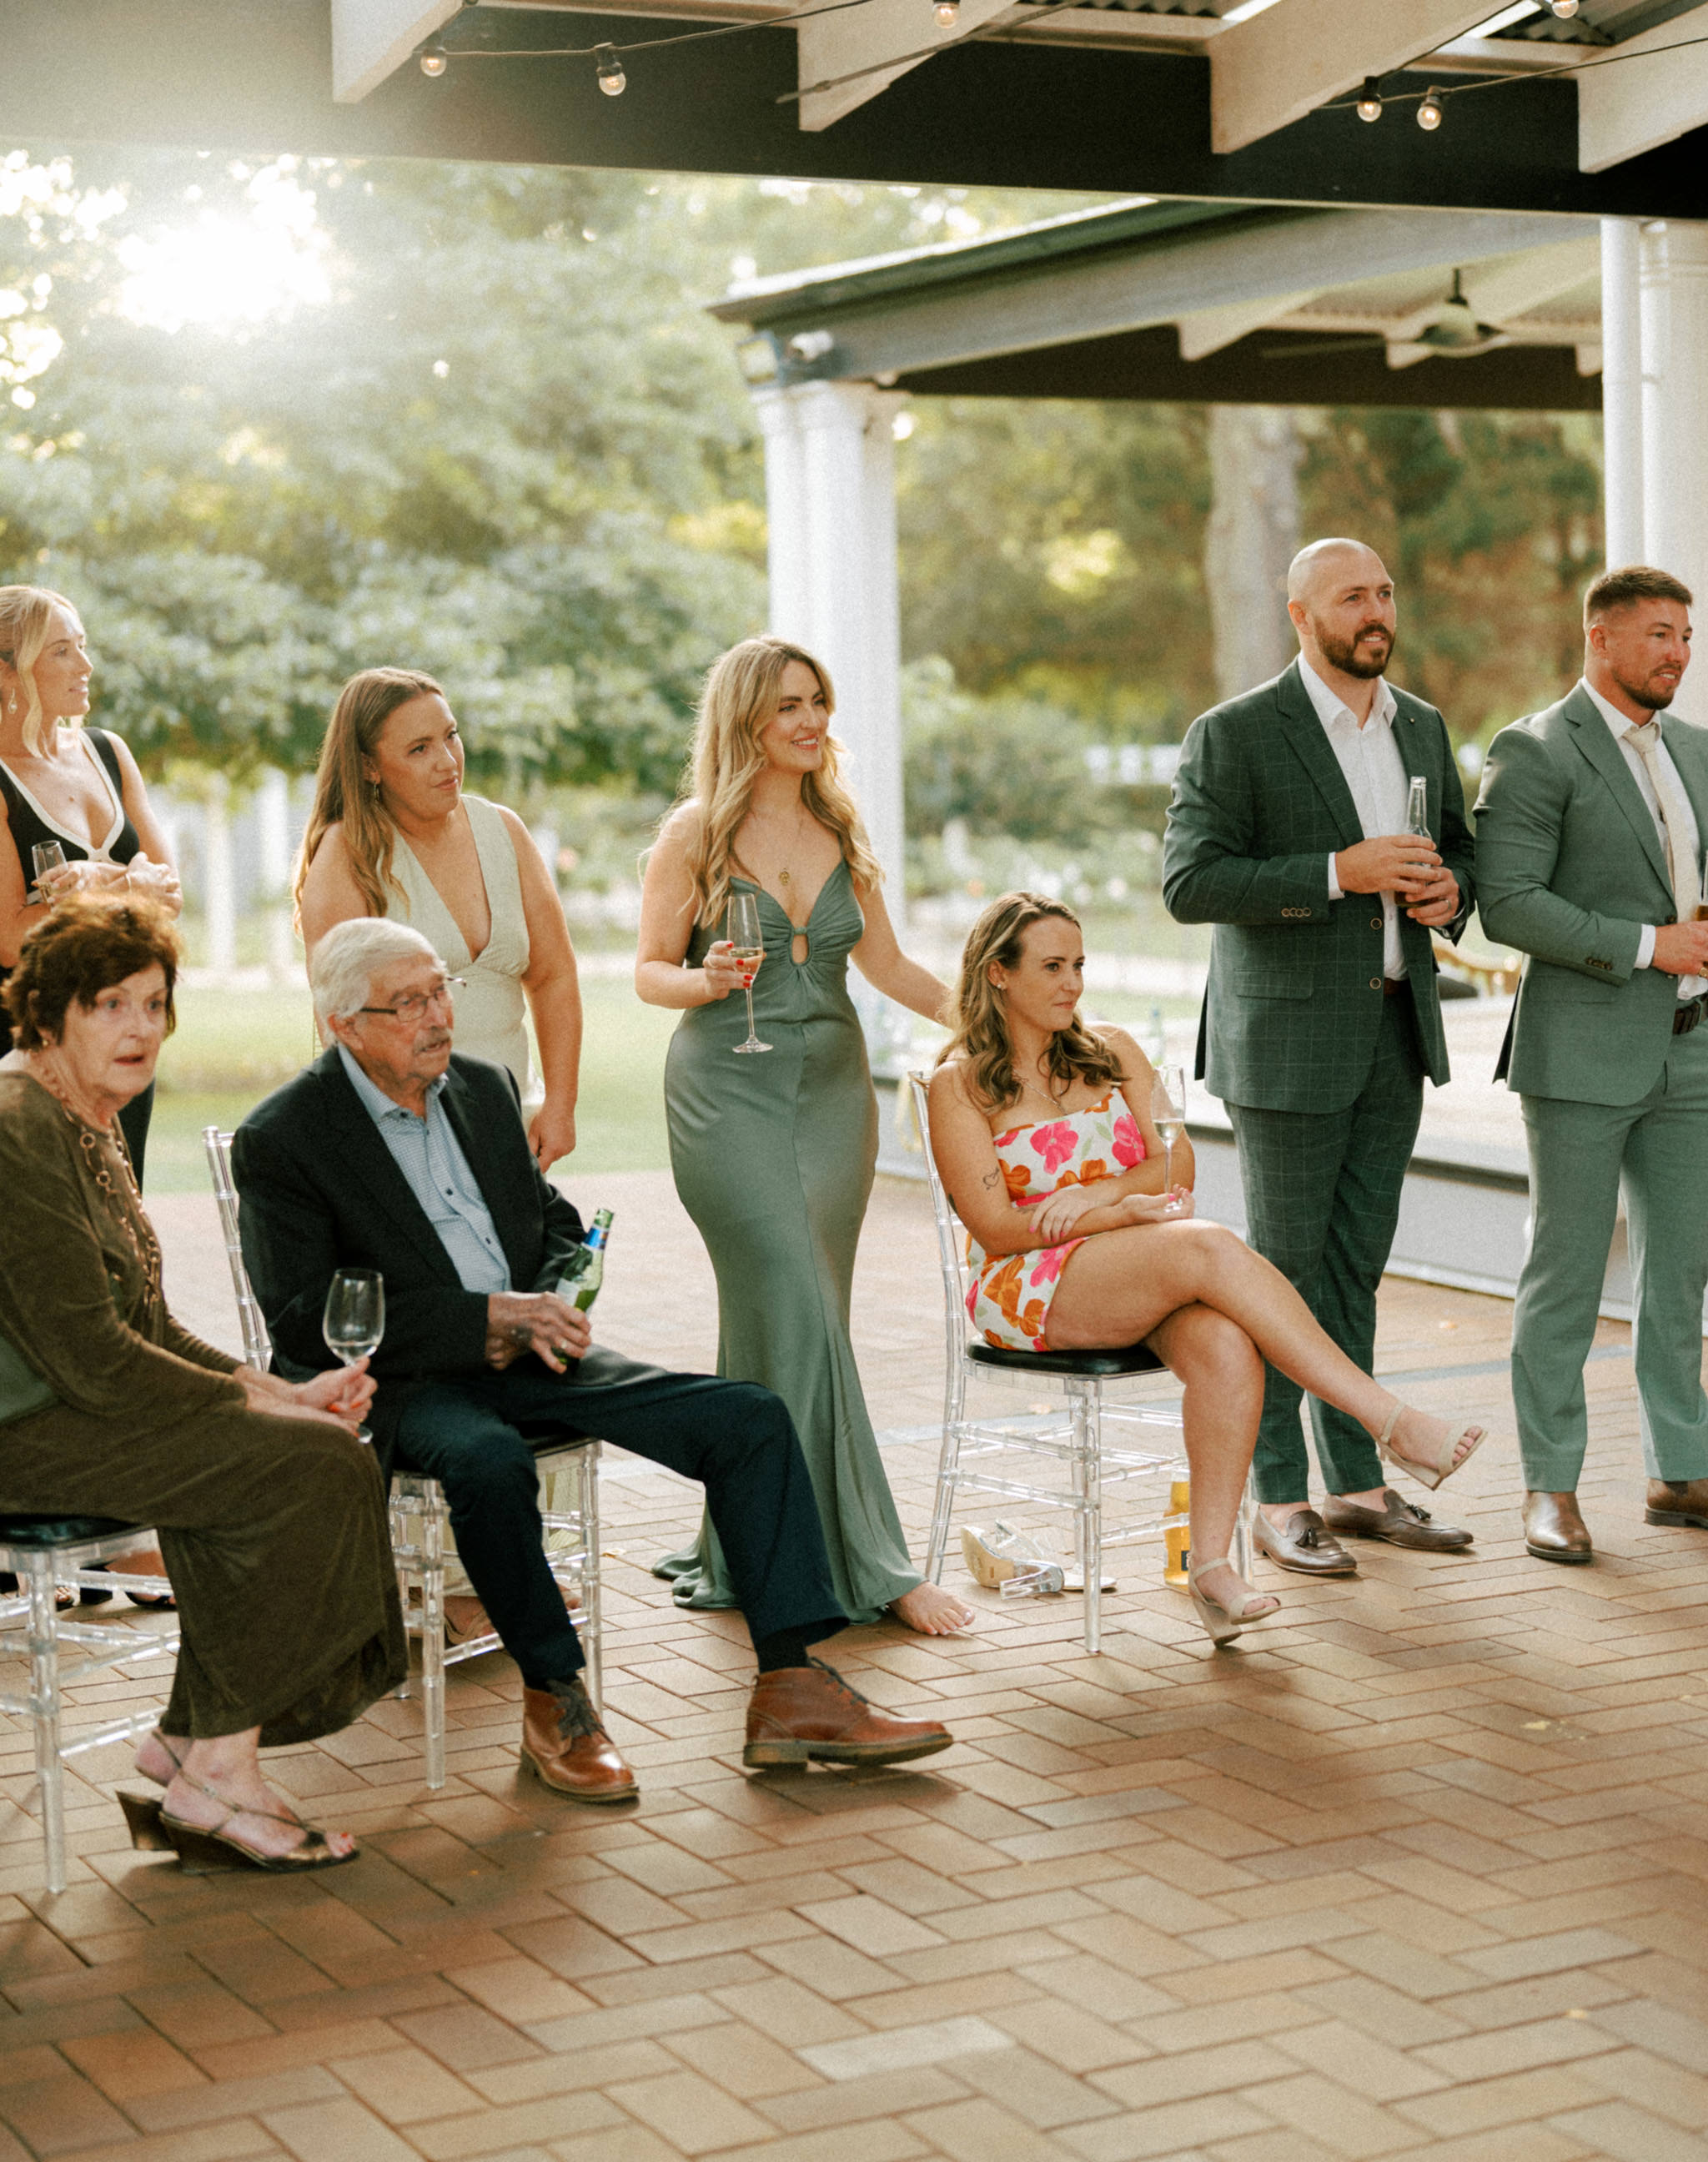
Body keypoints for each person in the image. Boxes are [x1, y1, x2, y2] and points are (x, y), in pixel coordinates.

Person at [234, 918, 952, 1798]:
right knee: (489, 1462)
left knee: (749, 1419)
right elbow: (304, 1319)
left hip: (531, 1353)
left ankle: (791, 1686)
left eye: (440, 991)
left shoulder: (483, 1087)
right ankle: (556, 1700)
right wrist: (480, 1319)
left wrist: (551, 1300)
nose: (438, 1016)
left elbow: (553, 1225)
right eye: (408, 1003)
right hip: (401, 1380)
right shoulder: (287, 1135)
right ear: (344, 1024)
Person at [927, 892, 1486, 1645]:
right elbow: (996, 1228)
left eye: (1080, 964)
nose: (1073, 983)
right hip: (1028, 1284)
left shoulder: (1115, 1050)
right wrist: (1119, 1214)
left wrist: (1099, 1196)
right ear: (998, 973)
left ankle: (1213, 1569)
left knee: (1227, 1344)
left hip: (1137, 1265)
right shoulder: (958, 1084)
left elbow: (1177, 1162)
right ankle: (1390, 1422)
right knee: (1206, 1245)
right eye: (1052, 967)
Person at [0, 894, 403, 1871]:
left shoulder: (85, 1114)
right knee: (309, 1469)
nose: (139, 1029)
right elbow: (96, 1357)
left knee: (318, 1450)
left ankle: (197, 1744)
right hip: (27, 1431)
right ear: (48, 1015)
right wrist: (260, 1411)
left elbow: (149, 1325)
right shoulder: (19, 1128)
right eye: (108, 1005)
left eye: (152, 1004)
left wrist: (280, 1392)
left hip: (79, 1406)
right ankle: (213, 1767)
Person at [636, 636, 971, 1636]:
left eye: (816, 701)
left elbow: (889, 967)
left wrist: (990, 1021)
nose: (810, 720)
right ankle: (874, 1561)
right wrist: (703, 979)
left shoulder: (838, 826)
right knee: (796, 1295)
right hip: (723, 1096)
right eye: (786, 705)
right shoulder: (693, 834)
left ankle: (754, 1540)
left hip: (831, 1097)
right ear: (743, 719)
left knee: (797, 1313)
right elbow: (648, 971)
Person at [1162, 540, 1478, 1579]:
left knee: (1353, 1270)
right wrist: (1338, 872)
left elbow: (1460, 855)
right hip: (1286, 1046)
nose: (1375, 611)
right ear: (1301, 616)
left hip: (1395, 1033)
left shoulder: (1419, 725)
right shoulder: (1235, 733)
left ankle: (1353, 1483)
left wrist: (1450, 895)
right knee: (1281, 1275)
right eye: (1351, 597)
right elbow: (1190, 883)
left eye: (1383, 592)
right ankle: (1275, 1497)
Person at [1475, 566, 1708, 1564]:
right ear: (1598, 637)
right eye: (1657, 633)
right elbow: (1508, 903)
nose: (1677, 653)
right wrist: (1648, 945)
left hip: (1691, 1053)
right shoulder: (1533, 750)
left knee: (1679, 1275)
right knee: (1564, 1276)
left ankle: (1678, 1468)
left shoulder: (1694, 750)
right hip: (1576, 1054)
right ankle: (1549, 1487)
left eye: (1684, 635)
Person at [296, 668, 581, 1169]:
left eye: (451, 736)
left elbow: (554, 975)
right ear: (369, 766)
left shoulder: (505, 831)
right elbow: (341, 1023)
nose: (448, 761)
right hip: (408, 1133)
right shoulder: (347, 853)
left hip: (516, 1119)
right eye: (419, 749)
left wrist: (560, 1104)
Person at [0, 585, 183, 1183]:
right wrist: (127, 886)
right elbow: (11, 937)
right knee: (48, 1216)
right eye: (61, 651)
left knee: (124, 1205)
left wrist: (91, 882)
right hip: (36, 1041)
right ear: (7, 671)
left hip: (126, 1030)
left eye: (82, 646)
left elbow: (170, 893)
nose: (85, 665)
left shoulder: (107, 752)